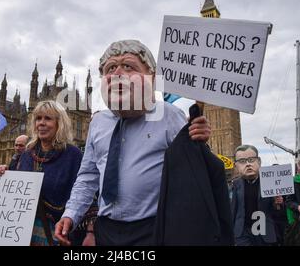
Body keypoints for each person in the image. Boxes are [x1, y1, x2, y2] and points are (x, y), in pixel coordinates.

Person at [55, 39, 211, 246]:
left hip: (155, 229)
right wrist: (72, 213)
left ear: (152, 78)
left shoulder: (169, 116)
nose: (117, 74)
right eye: (110, 68)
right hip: (107, 228)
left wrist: (199, 141)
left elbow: (195, 173)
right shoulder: (99, 122)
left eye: (128, 66)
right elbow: (88, 176)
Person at [0, 100, 83, 246]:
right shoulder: (27, 154)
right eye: (38, 119)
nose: (41, 123)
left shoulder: (73, 155)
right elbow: (17, 192)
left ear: (60, 123)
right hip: (22, 233)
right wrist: (3, 175)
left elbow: (84, 194)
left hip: (58, 234)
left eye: (48, 118)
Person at [231, 144, 281, 246]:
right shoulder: (235, 184)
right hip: (242, 232)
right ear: (236, 165)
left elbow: (277, 211)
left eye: (251, 159)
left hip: (264, 231)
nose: (248, 164)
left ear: (259, 161)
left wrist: (277, 204)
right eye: (242, 161)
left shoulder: (270, 181)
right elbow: (233, 210)